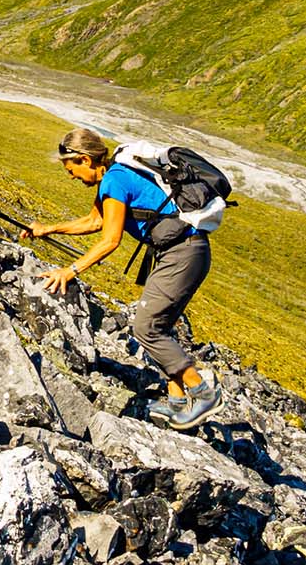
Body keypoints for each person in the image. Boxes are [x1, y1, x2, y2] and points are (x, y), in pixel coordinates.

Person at [21, 127, 221, 429]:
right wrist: (48, 228)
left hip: (182, 254)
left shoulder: (114, 180)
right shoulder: (113, 176)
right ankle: (178, 401)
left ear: (86, 160)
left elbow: (110, 240)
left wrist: (70, 270)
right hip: (184, 253)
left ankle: (203, 393)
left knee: (147, 328)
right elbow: (94, 221)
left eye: (72, 169)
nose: (71, 176)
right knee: (158, 327)